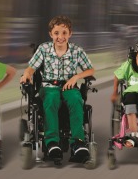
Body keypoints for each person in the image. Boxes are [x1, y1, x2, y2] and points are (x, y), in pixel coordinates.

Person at [19, 15, 95, 162]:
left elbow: (91, 70)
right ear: (51, 34)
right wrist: (26, 75)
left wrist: (76, 77)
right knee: (51, 99)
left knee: (76, 100)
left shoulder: (77, 51)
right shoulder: (44, 49)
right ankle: (52, 142)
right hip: (48, 86)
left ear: (70, 34)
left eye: (64, 33)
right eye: (56, 33)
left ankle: (78, 143)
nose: (60, 37)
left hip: (69, 86)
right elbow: (31, 68)